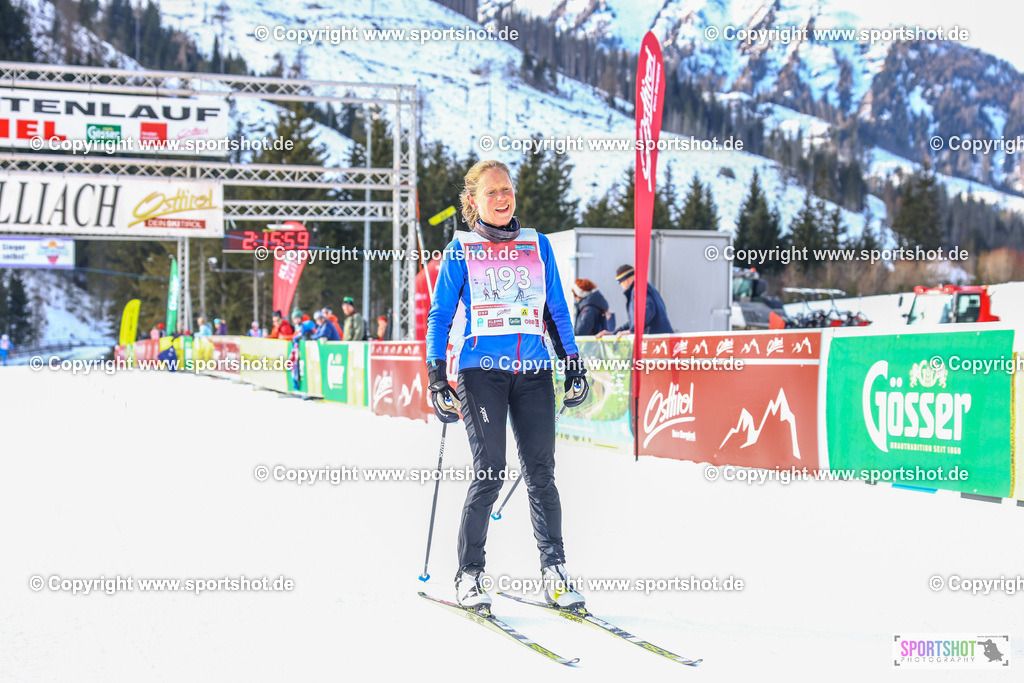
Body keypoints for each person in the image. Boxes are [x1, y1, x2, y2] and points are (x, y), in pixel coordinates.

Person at [426, 159, 590, 611]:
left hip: (534, 371)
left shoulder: (537, 246)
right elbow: (440, 315)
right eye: (492, 192)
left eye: (508, 190)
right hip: (482, 373)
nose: (502, 198)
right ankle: (470, 573)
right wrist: (436, 373)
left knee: (542, 473)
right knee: (490, 470)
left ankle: (554, 571)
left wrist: (572, 362)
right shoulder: (461, 250)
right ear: (473, 201)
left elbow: (556, 308)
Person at [596, 264, 673, 338]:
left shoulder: (637, 289)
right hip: (661, 339)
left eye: (620, 283)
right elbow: (632, 323)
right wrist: (614, 333)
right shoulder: (646, 288)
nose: (621, 287)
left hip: (656, 341)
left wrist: (632, 330)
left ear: (627, 280)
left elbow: (648, 310)